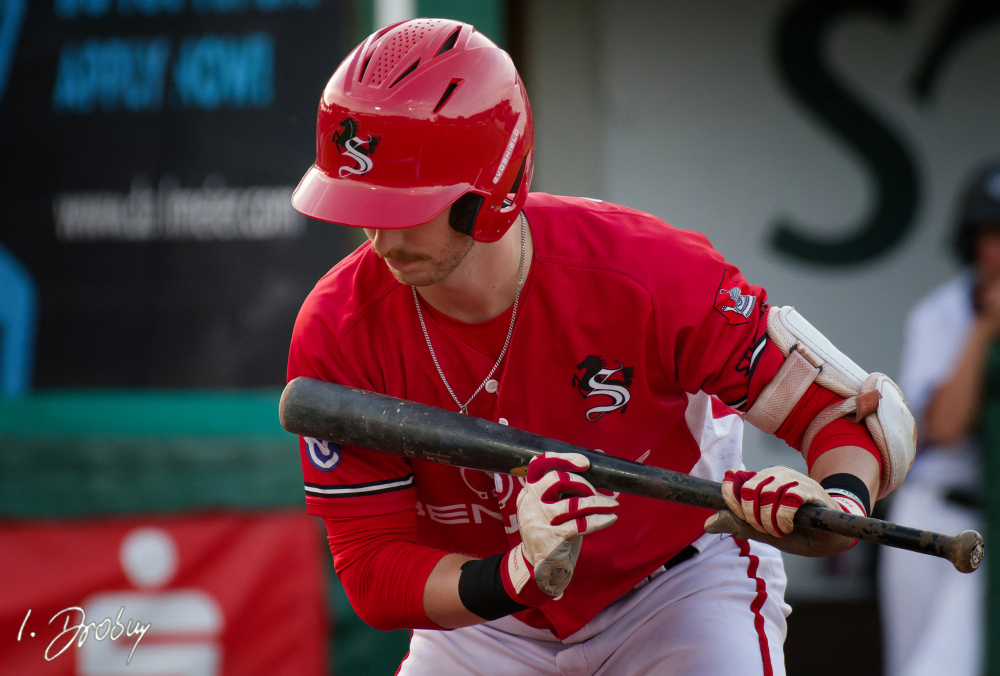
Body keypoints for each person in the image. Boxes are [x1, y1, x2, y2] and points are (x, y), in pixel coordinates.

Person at [286, 19, 915, 675]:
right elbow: (373, 569)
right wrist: (515, 574)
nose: (382, 241)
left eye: (406, 207)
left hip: (676, 586)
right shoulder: (336, 328)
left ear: (490, 187)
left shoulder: (647, 270)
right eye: (362, 205)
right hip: (485, 618)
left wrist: (835, 507)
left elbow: (848, 413)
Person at [879, 164, 1000, 676]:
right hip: (936, 515)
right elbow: (944, 427)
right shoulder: (943, 313)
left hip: (990, 519)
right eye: (993, 234)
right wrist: (985, 328)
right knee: (919, 666)